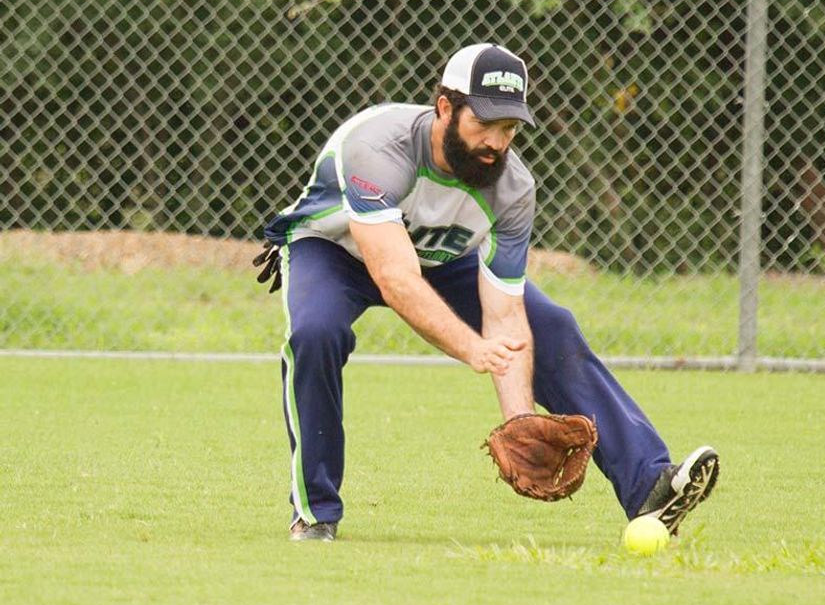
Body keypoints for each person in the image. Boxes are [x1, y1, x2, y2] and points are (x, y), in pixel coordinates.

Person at [256, 43, 719, 541]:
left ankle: (651, 486)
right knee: (315, 332)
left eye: (510, 128)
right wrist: (472, 348)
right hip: (335, 250)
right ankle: (316, 512)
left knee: (552, 327)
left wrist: (519, 419)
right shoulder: (378, 148)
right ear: (445, 108)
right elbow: (395, 278)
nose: (496, 142)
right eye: (484, 123)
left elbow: (506, 316)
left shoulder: (512, 188)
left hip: (442, 260)